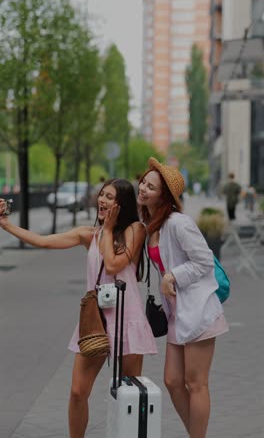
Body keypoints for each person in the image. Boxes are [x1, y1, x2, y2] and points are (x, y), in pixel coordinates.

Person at [0, 178, 157, 438]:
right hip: (95, 321)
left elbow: (113, 265)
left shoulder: (135, 230)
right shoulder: (88, 234)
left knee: (130, 393)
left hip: (127, 320)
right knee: (77, 392)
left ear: (122, 204)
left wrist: (107, 230)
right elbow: (43, 241)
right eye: (102, 195)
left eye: (110, 197)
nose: (103, 201)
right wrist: (6, 225)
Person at [137, 157, 229, 438]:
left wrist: (172, 275)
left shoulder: (179, 223)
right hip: (177, 312)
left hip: (199, 310)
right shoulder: (153, 225)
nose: (143, 188)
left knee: (195, 382)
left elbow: (203, 261)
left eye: (150, 187)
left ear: (164, 195)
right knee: (172, 380)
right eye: (143, 182)